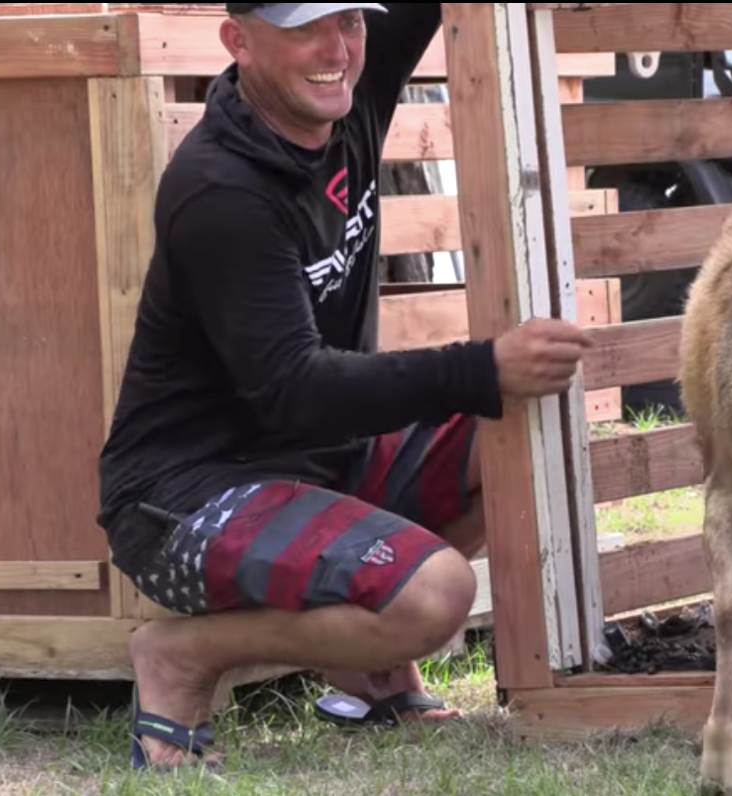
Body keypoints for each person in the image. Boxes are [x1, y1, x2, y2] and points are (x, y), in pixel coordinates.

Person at [95, 2, 593, 769]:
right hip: (186, 499)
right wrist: (480, 368)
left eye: (351, 20)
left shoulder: (347, 87)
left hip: (321, 460)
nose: (336, 48)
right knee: (435, 595)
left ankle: (366, 664)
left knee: (519, 439)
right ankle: (182, 654)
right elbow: (294, 388)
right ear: (238, 41)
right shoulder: (219, 189)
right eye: (304, 28)